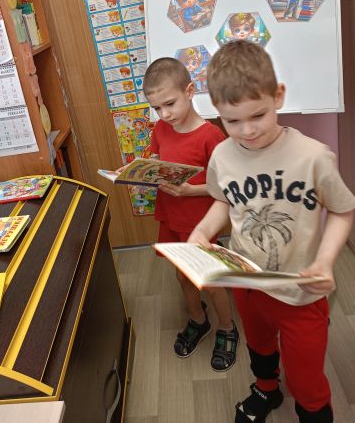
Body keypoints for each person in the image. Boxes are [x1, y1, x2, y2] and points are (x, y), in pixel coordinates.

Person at [189, 41, 355, 423]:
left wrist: (325, 261)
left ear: (278, 96)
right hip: (246, 283)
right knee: (259, 346)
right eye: (232, 121)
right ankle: (266, 389)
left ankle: (312, 413)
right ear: (217, 112)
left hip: (301, 293)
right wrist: (202, 231)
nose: (247, 130)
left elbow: (342, 210)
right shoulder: (222, 155)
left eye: (258, 115)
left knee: (306, 379)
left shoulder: (313, 156)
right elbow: (223, 201)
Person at [143, 57, 239, 370]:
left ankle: (227, 327)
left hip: (199, 221)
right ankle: (198, 320)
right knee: (182, 275)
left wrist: (190, 191)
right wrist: (141, 172)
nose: (164, 114)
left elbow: (226, 188)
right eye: (157, 108)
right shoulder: (161, 128)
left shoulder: (211, 136)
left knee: (209, 280)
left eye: (169, 104)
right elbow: (156, 159)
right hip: (172, 216)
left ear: (189, 91)